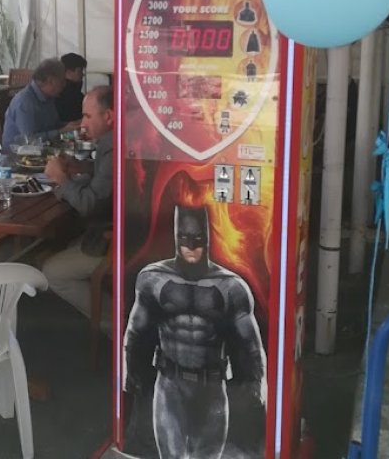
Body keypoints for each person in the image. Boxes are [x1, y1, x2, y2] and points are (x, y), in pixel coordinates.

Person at [124, 205, 266, 459]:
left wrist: (256, 385)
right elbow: (136, 331)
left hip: (211, 387)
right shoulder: (153, 279)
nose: (190, 246)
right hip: (170, 384)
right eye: (184, 238)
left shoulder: (231, 287)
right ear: (175, 236)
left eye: (197, 238)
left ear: (207, 238)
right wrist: (131, 370)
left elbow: (250, 346)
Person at [42, 86, 114, 322]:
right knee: (64, 242)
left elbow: (88, 205)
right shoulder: (114, 140)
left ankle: (115, 322)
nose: (82, 124)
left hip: (116, 241)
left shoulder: (113, 148)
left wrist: (62, 179)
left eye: (88, 116)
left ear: (109, 116)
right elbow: (107, 179)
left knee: (52, 272)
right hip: (113, 230)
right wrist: (82, 167)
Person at [1, 58, 82, 149]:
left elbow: (52, 125)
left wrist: (71, 125)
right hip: (17, 153)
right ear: (51, 80)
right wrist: (62, 131)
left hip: (43, 148)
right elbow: (30, 140)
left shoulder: (49, 97)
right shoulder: (24, 102)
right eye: (62, 81)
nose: (64, 85)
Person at [55, 52, 87, 123]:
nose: (82, 74)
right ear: (68, 72)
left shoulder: (75, 92)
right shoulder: (67, 94)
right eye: (79, 71)